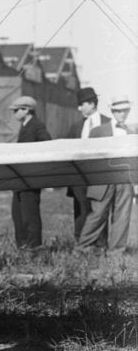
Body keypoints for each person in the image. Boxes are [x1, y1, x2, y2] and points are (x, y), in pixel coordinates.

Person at [77, 95, 136, 251]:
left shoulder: (132, 131)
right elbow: (89, 157)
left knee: (122, 215)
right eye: (118, 111)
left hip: (124, 179)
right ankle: (82, 247)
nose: (122, 114)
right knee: (97, 214)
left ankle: (116, 252)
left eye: (125, 110)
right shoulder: (98, 131)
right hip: (103, 178)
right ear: (112, 111)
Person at [66, 86, 111, 241]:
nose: (79, 108)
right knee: (81, 210)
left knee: (100, 209)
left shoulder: (108, 123)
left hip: (101, 176)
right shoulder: (76, 127)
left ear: (92, 104)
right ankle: (81, 244)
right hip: (80, 177)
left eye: (82, 104)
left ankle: (101, 243)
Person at [9, 96, 52, 248]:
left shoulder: (37, 126)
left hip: (31, 179)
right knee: (18, 215)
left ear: (26, 110)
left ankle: (34, 247)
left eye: (16, 110)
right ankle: (22, 245)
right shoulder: (25, 126)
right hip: (20, 180)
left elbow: (47, 145)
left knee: (30, 215)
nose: (14, 113)